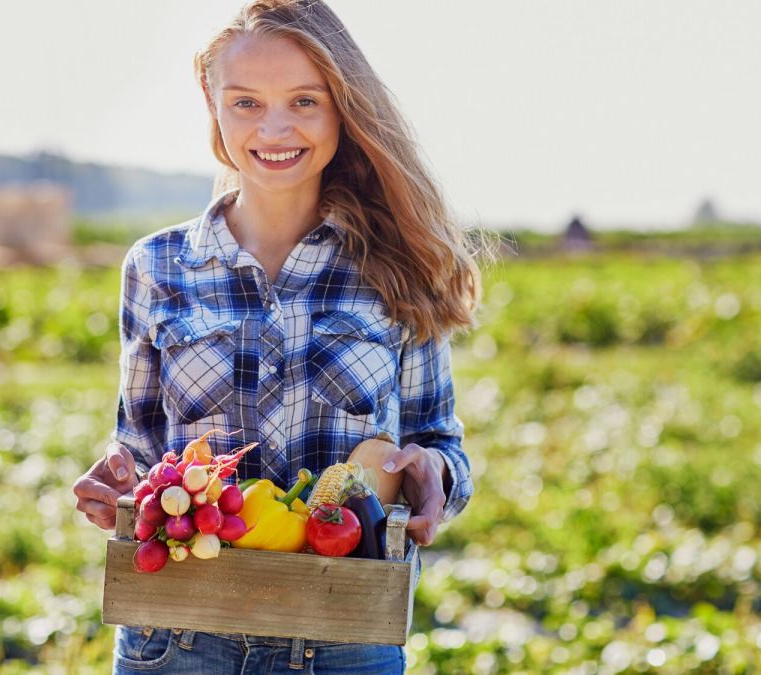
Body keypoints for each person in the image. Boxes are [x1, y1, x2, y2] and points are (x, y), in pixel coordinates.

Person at [72, 1, 489, 672]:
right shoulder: (156, 266)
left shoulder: (398, 265)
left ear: (342, 108)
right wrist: (115, 478)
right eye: (246, 103)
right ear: (212, 105)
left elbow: (439, 442)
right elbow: (141, 450)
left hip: (343, 638)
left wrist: (435, 474)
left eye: (303, 101)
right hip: (179, 637)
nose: (273, 128)